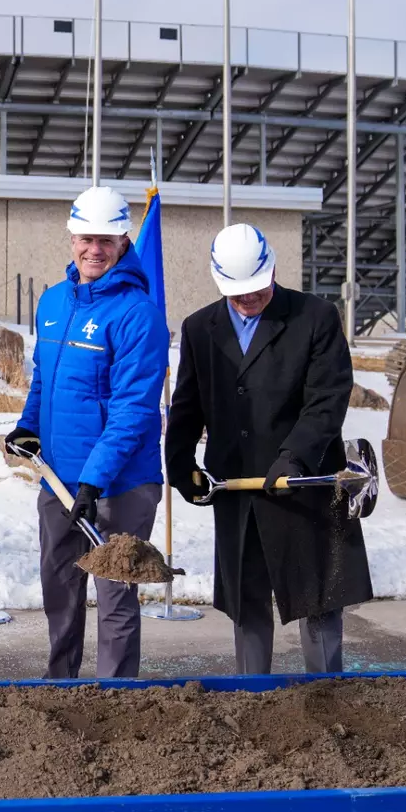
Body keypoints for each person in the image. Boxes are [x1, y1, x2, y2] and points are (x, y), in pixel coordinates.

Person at [165, 223, 373, 674]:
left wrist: (294, 456)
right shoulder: (200, 328)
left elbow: (327, 399)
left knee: (317, 599)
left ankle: (326, 695)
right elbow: (187, 405)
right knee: (248, 602)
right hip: (238, 489)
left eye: (256, 289)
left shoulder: (313, 317)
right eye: (238, 293)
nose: (248, 299)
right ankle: (252, 696)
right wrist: (181, 467)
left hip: (305, 483)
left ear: (273, 268)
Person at [4, 186, 167, 679]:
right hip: (59, 482)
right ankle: (60, 688)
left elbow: (133, 410)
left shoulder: (138, 314)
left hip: (120, 484)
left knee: (115, 596)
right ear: (72, 237)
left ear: (123, 243)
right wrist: (28, 426)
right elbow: (45, 381)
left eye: (106, 241)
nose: (94, 250)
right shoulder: (54, 302)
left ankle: (115, 701)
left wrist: (93, 482)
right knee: (60, 587)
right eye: (86, 239)